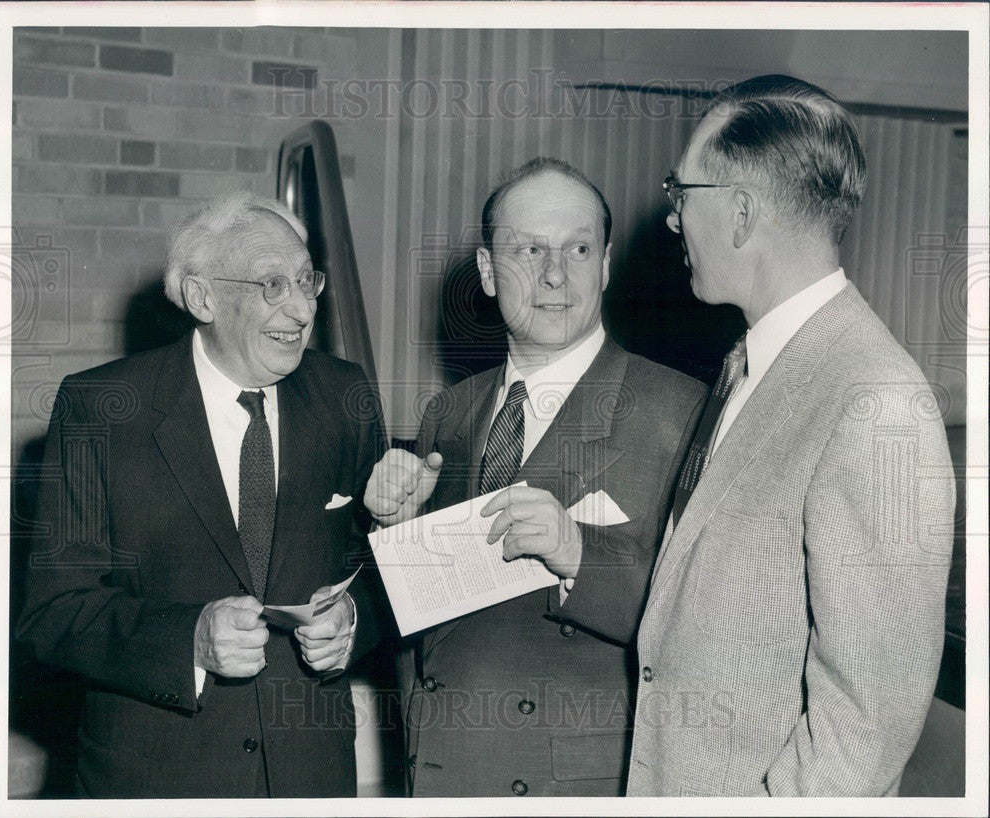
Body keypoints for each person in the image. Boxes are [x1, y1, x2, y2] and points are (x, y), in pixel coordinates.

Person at [628, 75, 956, 797]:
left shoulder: (878, 402)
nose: (674, 219)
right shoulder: (748, 362)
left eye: (682, 194)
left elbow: (865, 729)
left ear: (740, 214)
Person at [16, 192, 388, 798]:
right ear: (202, 297)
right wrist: (184, 639)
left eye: (305, 281)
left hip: (310, 778)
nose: (300, 310)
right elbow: (53, 614)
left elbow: (385, 573)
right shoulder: (101, 410)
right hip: (155, 781)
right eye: (272, 285)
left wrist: (354, 620)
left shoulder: (345, 396)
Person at [365, 157, 706, 797]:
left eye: (578, 248)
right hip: (438, 773)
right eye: (528, 250)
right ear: (489, 273)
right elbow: (436, 627)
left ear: (605, 265)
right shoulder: (451, 412)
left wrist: (577, 549)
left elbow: (709, 627)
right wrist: (395, 530)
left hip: (570, 787)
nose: (556, 274)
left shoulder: (677, 412)